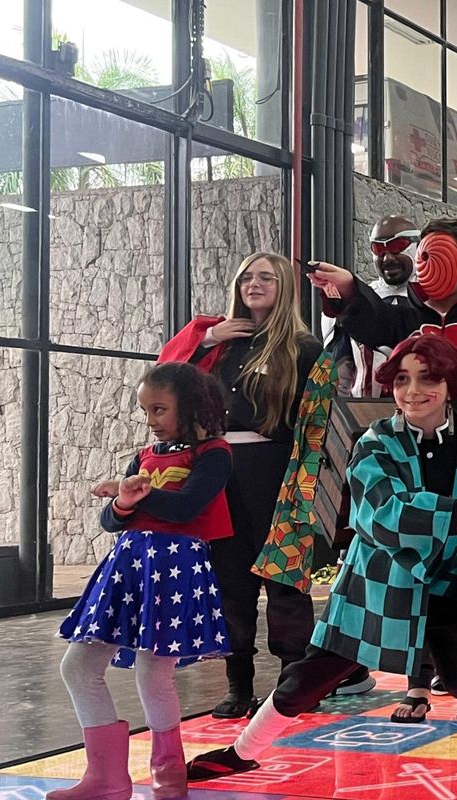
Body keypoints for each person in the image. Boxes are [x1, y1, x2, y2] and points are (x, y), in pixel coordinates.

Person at [184, 335, 457, 800]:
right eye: (402, 379)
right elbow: (383, 515)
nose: (414, 391)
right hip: (379, 580)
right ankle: (242, 750)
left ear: (451, 384)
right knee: (313, 673)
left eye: (428, 378)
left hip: (453, 579)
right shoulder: (375, 443)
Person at [51, 363, 234, 800]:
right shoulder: (146, 455)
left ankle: (168, 768)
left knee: (154, 674)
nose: (151, 419)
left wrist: (138, 494)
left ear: (189, 405)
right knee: (78, 666)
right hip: (129, 566)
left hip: (175, 569)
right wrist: (123, 502)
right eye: (145, 410)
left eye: (159, 409)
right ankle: (107, 776)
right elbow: (110, 520)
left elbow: (187, 507)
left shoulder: (215, 453)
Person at [159, 252, 328, 718]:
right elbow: (165, 379)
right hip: (218, 468)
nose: (254, 284)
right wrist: (207, 339)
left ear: (284, 286)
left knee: (284, 580)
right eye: (247, 277)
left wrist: (306, 483)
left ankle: (294, 684)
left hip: (277, 468)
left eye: (266, 277)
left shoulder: (303, 347)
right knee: (229, 581)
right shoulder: (220, 342)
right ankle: (239, 686)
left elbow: (316, 420)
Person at [308, 216, 457, 472]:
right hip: (406, 462)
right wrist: (348, 287)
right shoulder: (406, 318)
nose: (428, 267)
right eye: (425, 256)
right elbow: (374, 321)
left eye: (440, 258)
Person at [327, 215, 417, 397]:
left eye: (397, 246)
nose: (388, 258)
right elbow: (337, 368)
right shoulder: (357, 302)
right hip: (364, 408)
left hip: (420, 404)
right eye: (379, 249)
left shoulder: (433, 301)